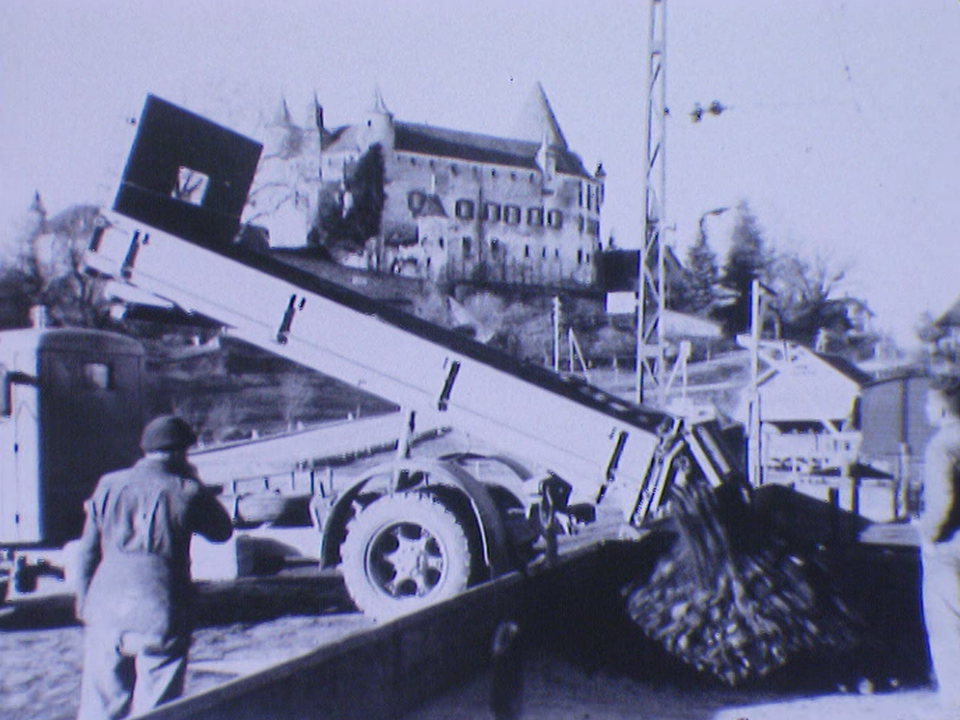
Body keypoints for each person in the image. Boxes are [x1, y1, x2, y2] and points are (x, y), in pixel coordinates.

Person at [73, 415, 233, 720]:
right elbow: (222, 531)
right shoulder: (185, 489)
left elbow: (87, 552)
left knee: (100, 707)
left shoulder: (107, 484)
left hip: (104, 609)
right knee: (156, 709)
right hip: (160, 609)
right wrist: (196, 482)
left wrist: (84, 601)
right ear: (179, 453)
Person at [919, 374, 960, 715]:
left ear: (943, 411)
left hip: (951, 549)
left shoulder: (941, 445)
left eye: (928, 404)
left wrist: (927, 535)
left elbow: (943, 500)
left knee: (948, 627)